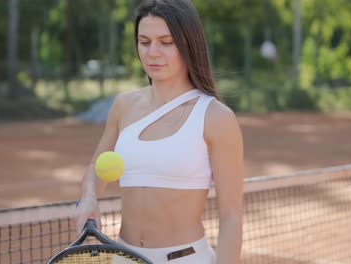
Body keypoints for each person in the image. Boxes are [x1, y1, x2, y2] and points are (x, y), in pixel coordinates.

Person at [75, 0, 244, 263]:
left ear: (188, 43)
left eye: (166, 42)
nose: (153, 52)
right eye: (144, 42)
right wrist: (88, 197)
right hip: (123, 257)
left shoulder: (216, 117)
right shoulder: (123, 106)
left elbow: (231, 216)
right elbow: (95, 168)